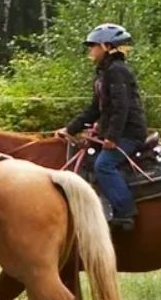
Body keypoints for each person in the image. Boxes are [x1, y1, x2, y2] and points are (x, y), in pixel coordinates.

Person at [62, 23, 147, 232]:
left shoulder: (117, 71)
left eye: (93, 46)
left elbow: (121, 107)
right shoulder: (104, 73)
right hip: (117, 132)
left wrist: (112, 137)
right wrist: (70, 129)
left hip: (129, 133)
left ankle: (125, 212)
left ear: (107, 46)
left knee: (104, 165)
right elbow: (95, 109)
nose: (90, 51)